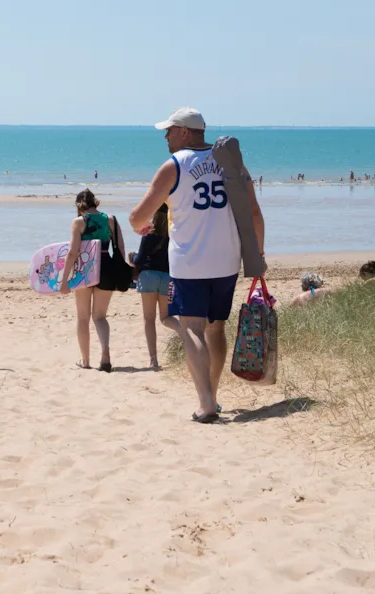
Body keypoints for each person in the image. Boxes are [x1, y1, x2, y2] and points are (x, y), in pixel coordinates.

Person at [129, 107, 265, 424]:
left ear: (185, 132)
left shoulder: (174, 165)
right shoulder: (232, 163)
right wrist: (258, 254)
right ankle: (212, 395)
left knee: (192, 328)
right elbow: (254, 213)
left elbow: (138, 215)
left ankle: (206, 403)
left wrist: (139, 226)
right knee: (216, 328)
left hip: (189, 262)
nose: (166, 136)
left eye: (169, 130)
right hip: (227, 260)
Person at [60, 189, 127, 372]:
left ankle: (85, 360)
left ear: (79, 204)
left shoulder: (79, 222)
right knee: (100, 317)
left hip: (84, 270)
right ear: (95, 201)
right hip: (106, 268)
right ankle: (105, 352)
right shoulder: (110, 219)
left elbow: (73, 253)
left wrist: (64, 280)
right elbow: (120, 249)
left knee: (83, 317)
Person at [133, 204, 179, 370]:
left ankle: (153, 360)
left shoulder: (149, 234)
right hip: (167, 277)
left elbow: (140, 260)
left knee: (149, 319)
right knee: (165, 318)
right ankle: (184, 332)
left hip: (148, 276)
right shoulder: (174, 236)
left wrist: (132, 257)